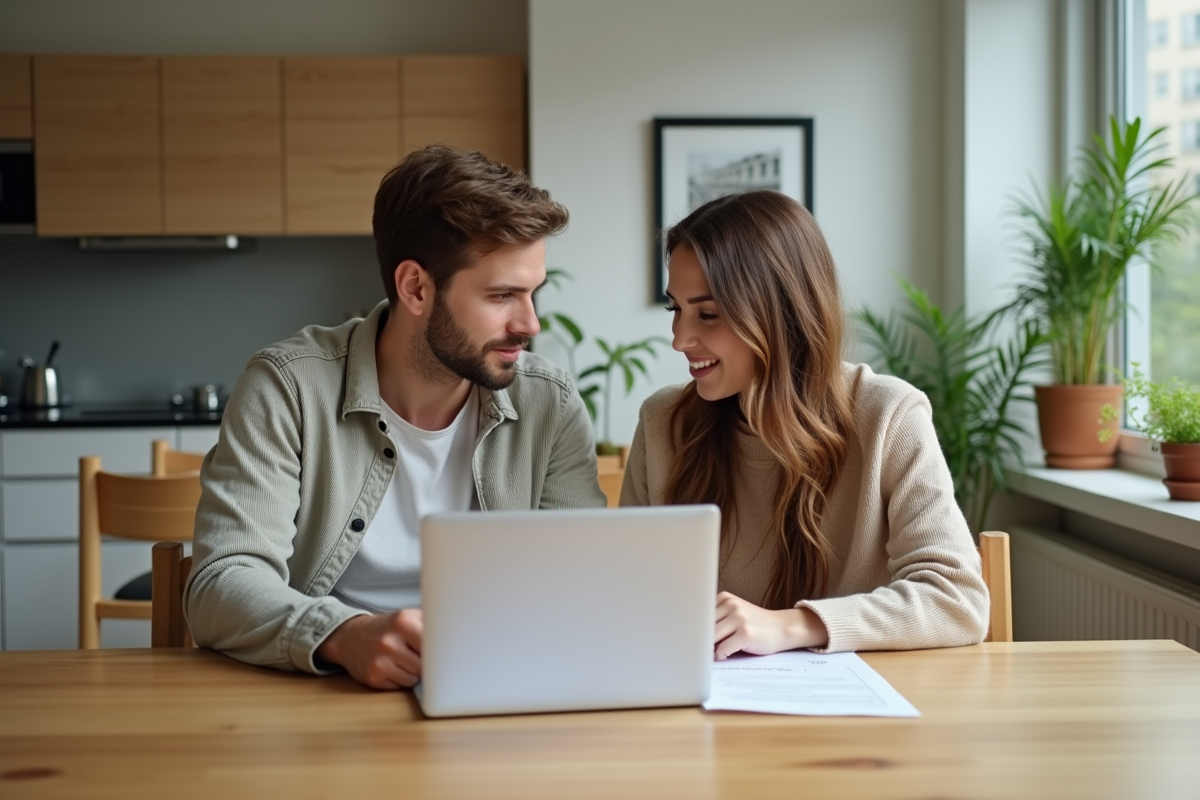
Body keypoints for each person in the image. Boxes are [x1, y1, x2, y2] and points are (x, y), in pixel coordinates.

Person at [186, 146, 607, 689]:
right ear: (416, 288)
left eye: (532, 294)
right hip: (327, 689)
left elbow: (579, 581)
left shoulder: (549, 402)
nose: (530, 324)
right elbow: (223, 581)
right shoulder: (288, 387)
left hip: (493, 684)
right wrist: (344, 634)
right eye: (503, 295)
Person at [621, 190, 988, 658]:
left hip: (861, 699)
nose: (679, 339)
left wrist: (792, 625)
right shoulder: (662, 423)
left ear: (781, 313)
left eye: (708, 314)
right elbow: (627, 595)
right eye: (676, 309)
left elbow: (957, 600)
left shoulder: (889, 417)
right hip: (707, 698)